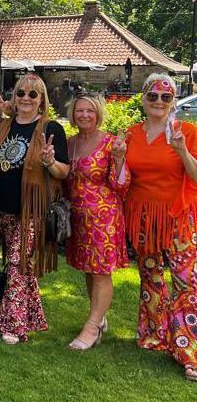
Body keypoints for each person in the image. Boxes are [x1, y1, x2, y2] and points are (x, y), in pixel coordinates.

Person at [123, 73, 197, 381]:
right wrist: (116, 159)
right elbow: (124, 178)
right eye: (152, 96)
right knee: (151, 280)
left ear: (173, 101)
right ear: (143, 99)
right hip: (144, 217)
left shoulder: (187, 132)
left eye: (166, 97)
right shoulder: (131, 133)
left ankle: (188, 349)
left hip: (179, 216)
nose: (158, 101)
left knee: (187, 284)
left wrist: (181, 150)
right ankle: (154, 336)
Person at [0, 73, 69, 344]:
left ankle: (13, 324)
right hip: (6, 208)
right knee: (23, 267)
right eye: (21, 92)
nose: (26, 98)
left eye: (33, 94)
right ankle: (33, 316)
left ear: (41, 99)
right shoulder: (4, 126)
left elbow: (64, 171)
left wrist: (48, 162)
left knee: (16, 262)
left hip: (32, 209)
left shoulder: (51, 129)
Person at [64, 92, 129, 350]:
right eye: (80, 110)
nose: (84, 115)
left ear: (98, 114)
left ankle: (91, 329)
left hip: (104, 218)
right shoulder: (70, 144)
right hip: (78, 218)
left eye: (90, 111)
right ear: (73, 114)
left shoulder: (111, 143)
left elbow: (121, 185)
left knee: (101, 273)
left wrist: (119, 158)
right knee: (89, 272)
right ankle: (98, 318)